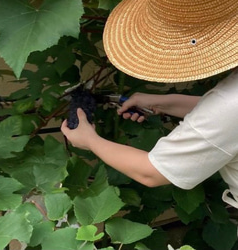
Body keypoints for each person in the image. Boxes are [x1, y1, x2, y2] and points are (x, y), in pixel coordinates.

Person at [61, 0, 238, 209]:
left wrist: (90, 140)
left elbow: (152, 172)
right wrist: (163, 103)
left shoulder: (229, 104)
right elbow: (224, 118)